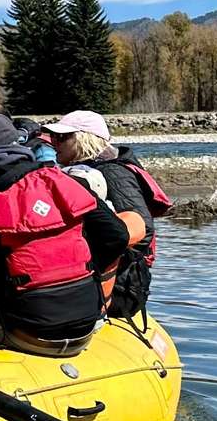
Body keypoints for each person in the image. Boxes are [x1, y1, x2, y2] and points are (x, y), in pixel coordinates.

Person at [0, 111, 130, 356]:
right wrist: (86, 270)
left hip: (27, 329)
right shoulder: (60, 180)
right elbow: (117, 237)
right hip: (86, 320)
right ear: (18, 143)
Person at [45, 110, 172, 319]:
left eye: (62, 137)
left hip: (123, 285)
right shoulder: (88, 170)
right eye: (53, 137)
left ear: (83, 138)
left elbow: (143, 230)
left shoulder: (112, 173)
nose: (54, 143)